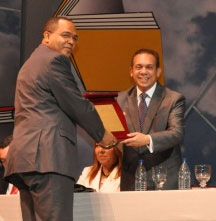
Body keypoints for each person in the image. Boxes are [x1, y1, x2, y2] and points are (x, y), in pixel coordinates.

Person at [4, 17, 116, 221]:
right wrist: (102, 134)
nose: (71, 41)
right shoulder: (54, 61)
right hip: (48, 158)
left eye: (75, 38)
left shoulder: (31, 63)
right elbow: (76, 104)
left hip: (25, 160)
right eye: (65, 35)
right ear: (46, 36)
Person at [117, 48, 185, 191]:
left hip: (164, 179)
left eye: (149, 67)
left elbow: (176, 133)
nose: (143, 72)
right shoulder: (120, 99)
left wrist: (147, 139)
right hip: (132, 179)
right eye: (139, 67)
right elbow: (113, 135)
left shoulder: (173, 99)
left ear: (158, 72)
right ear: (131, 71)